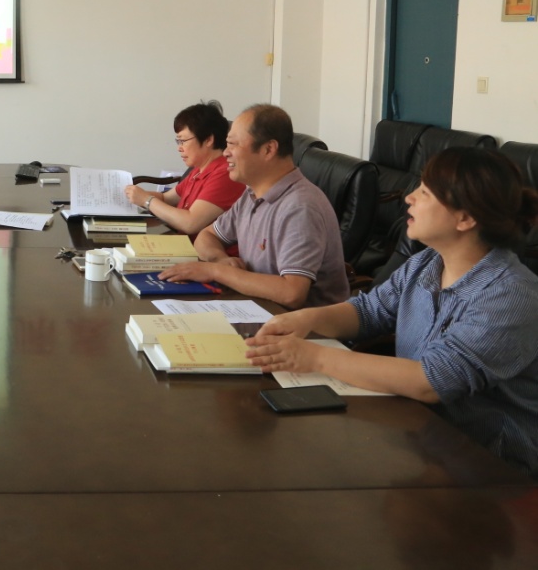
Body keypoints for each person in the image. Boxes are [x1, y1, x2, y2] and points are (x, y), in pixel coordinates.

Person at [246, 147, 538, 476]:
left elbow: (432, 381)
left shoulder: (511, 295)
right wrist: (305, 318)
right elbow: (369, 311)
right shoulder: (427, 263)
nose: (409, 197)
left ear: (465, 218)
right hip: (419, 436)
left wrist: (314, 357)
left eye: (425, 192)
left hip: (490, 465)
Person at [161, 104, 348, 308]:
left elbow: (292, 293)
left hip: (298, 322)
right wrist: (220, 259)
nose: (226, 153)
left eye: (233, 145)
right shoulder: (251, 194)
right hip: (253, 308)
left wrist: (217, 271)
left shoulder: (300, 206)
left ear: (268, 149)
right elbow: (207, 236)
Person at [123, 101, 245, 241]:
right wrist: (129, 196)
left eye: (183, 141)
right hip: (181, 244)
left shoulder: (225, 173)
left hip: (201, 252)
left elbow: (190, 223)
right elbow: (166, 198)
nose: (179, 148)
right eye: (178, 142)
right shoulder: (198, 170)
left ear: (208, 140)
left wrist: (146, 200)